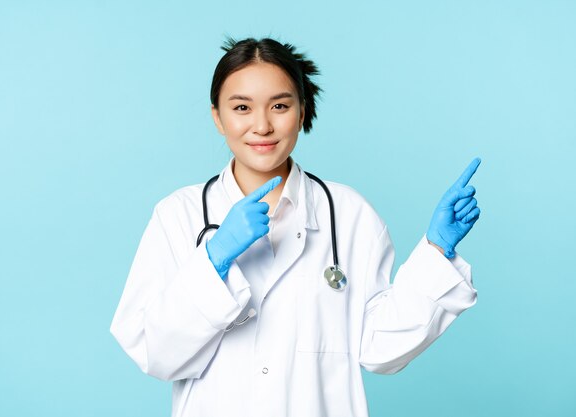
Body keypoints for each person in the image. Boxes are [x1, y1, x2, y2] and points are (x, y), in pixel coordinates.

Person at [110, 37, 481, 417]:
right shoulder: (178, 215)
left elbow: (380, 349)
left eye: (280, 106)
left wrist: (438, 250)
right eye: (241, 107)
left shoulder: (349, 214)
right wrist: (213, 260)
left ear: (302, 112)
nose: (262, 125)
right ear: (217, 117)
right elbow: (155, 353)